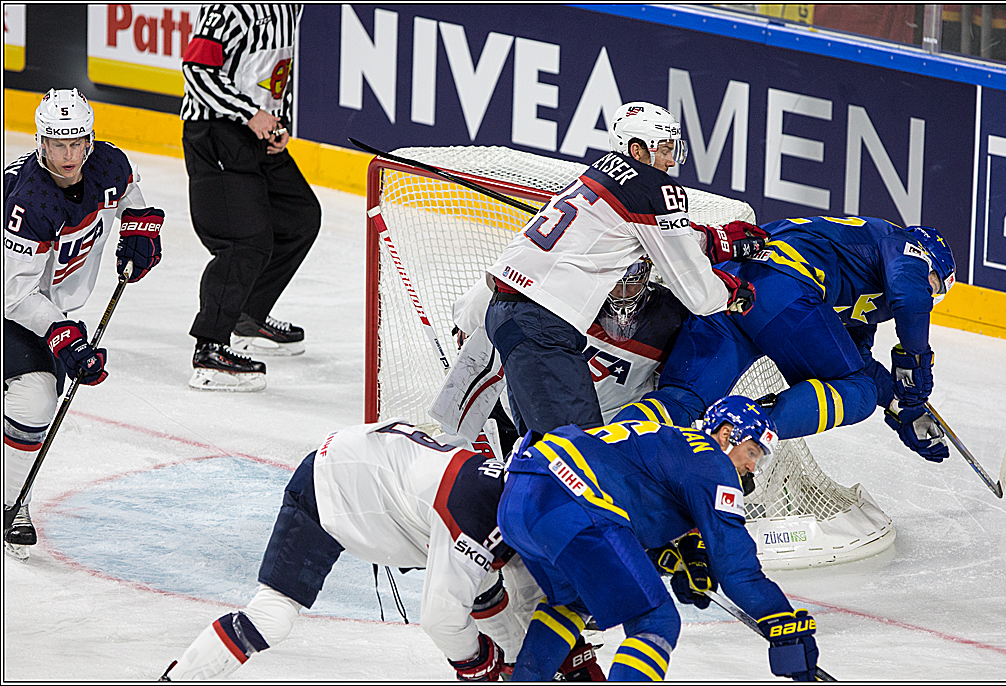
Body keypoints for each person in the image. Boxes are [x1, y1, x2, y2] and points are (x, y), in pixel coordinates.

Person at [159, 422, 603, 681]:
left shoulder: (514, 494)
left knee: (485, 584)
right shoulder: (473, 516)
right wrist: (482, 665)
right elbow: (441, 619)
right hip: (329, 486)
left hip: (387, 482)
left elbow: (521, 596)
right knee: (270, 618)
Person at [457, 101, 765, 439]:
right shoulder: (656, 190)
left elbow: (653, 234)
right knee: (580, 458)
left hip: (510, 312)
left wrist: (711, 238)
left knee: (539, 455)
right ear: (637, 149)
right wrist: (732, 291)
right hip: (543, 324)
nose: (671, 160)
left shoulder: (600, 173)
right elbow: (699, 294)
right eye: (664, 148)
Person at [497, 396, 820, 681]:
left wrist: (678, 559)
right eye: (751, 451)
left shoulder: (671, 441)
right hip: (574, 503)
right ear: (725, 434)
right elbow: (736, 568)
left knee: (572, 602)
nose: (752, 466)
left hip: (520, 498)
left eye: (759, 459)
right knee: (656, 621)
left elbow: (630, 498)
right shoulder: (712, 461)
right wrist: (781, 621)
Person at [619, 216, 955, 463]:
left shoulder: (868, 282)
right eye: (936, 284)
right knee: (860, 393)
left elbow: (855, 360)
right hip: (782, 288)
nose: (931, 293)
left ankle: (600, 453)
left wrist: (902, 406)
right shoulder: (900, 244)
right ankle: (744, 432)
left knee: (680, 400)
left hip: (728, 289)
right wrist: (915, 362)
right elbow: (910, 297)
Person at [3, 88, 163, 560]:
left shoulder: (108, 166)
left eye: (77, 143)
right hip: (13, 296)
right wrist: (64, 337)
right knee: (33, 395)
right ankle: (13, 501)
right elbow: (15, 295)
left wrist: (140, 231)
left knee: (33, 397)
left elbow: (132, 198)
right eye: (58, 144)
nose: (69, 155)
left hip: (38, 300)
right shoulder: (30, 200)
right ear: (41, 144)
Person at [181, 4, 321, 392]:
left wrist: (280, 120)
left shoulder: (292, 8)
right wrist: (249, 113)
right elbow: (197, 72)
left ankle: (248, 315)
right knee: (244, 242)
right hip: (216, 133)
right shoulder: (230, 7)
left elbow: (275, 73)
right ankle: (210, 350)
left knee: (299, 217)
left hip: (259, 134)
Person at [447, 257, 691, 457]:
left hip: (606, 434)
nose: (622, 293)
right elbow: (470, 318)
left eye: (633, 284)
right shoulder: (557, 285)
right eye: (615, 282)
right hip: (522, 411)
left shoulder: (669, 316)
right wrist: (466, 329)